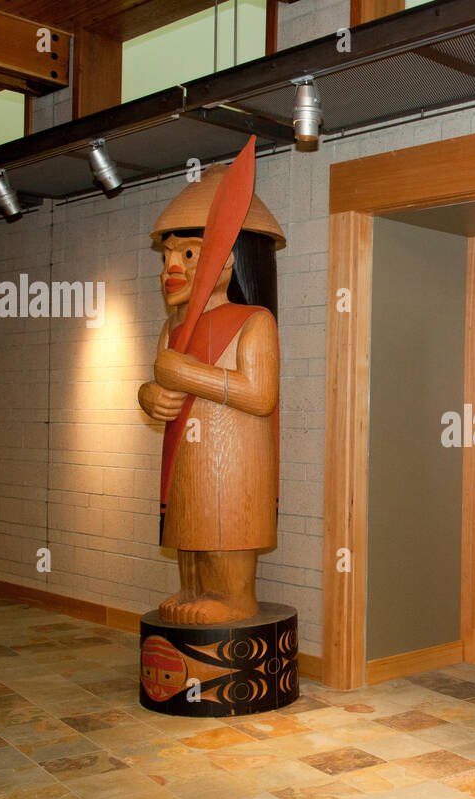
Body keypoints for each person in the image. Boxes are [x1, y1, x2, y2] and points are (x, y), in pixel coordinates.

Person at [136, 144, 284, 625]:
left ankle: (235, 597)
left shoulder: (254, 321)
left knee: (224, 523)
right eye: (166, 257)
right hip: (184, 456)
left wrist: (184, 375)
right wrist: (149, 395)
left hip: (235, 460)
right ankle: (193, 586)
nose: (169, 269)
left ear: (227, 259)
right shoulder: (172, 328)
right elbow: (159, 382)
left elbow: (260, 396)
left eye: (188, 253)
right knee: (190, 523)